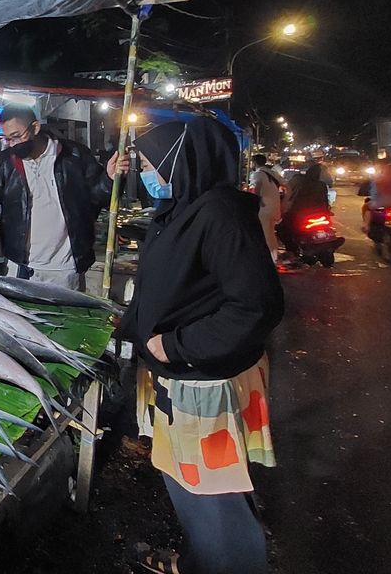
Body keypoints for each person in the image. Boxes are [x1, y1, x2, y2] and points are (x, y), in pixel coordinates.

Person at [118, 118, 284, 574]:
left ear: (182, 162)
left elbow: (256, 306)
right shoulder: (182, 208)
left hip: (203, 383)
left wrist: (175, 345)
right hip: (180, 380)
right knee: (190, 486)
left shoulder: (220, 215)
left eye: (152, 163)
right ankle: (197, 563)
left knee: (212, 495)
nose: (146, 172)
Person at [0, 104, 125, 289]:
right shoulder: (7, 162)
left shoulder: (75, 155)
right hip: (20, 265)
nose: (13, 144)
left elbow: (98, 198)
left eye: (16, 137)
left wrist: (110, 179)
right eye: (8, 139)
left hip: (65, 268)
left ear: (35, 127)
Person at [248, 154, 283, 262]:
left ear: (254, 163)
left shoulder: (257, 174)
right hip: (274, 208)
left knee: (264, 234)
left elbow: (256, 189)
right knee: (270, 233)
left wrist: (254, 202)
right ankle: (274, 258)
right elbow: (287, 186)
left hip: (264, 209)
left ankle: (266, 260)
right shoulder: (272, 173)